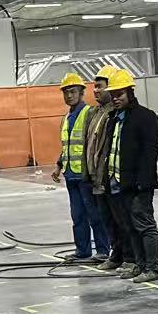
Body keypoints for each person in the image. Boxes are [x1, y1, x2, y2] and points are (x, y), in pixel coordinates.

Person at [105, 70, 158, 283]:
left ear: (130, 92)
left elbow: (150, 152)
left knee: (145, 226)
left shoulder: (145, 117)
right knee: (129, 227)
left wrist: (143, 183)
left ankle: (153, 268)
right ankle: (140, 264)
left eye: (119, 94)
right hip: (120, 184)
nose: (115, 98)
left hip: (138, 186)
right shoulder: (114, 119)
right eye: (113, 95)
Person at [59, 71, 109, 265]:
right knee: (78, 216)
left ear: (81, 92)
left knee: (94, 215)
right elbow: (67, 146)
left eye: (72, 91)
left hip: (85, 175)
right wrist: (58, 165)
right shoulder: (66, 118)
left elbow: (92, 144)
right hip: (71, 175)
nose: (69, 95)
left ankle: (103, 250)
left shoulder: (89, 113)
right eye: (66, 92)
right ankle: (82, 250)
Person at [86, 68, 122, 270]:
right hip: (96, 178)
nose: (95, 90)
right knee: (107, 220)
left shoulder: (112, 115)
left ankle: (123, 256)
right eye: (95, 87)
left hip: (107, 178)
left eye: (100, 86)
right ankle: (116, 255)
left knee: (117, 220)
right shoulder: (96, 113)